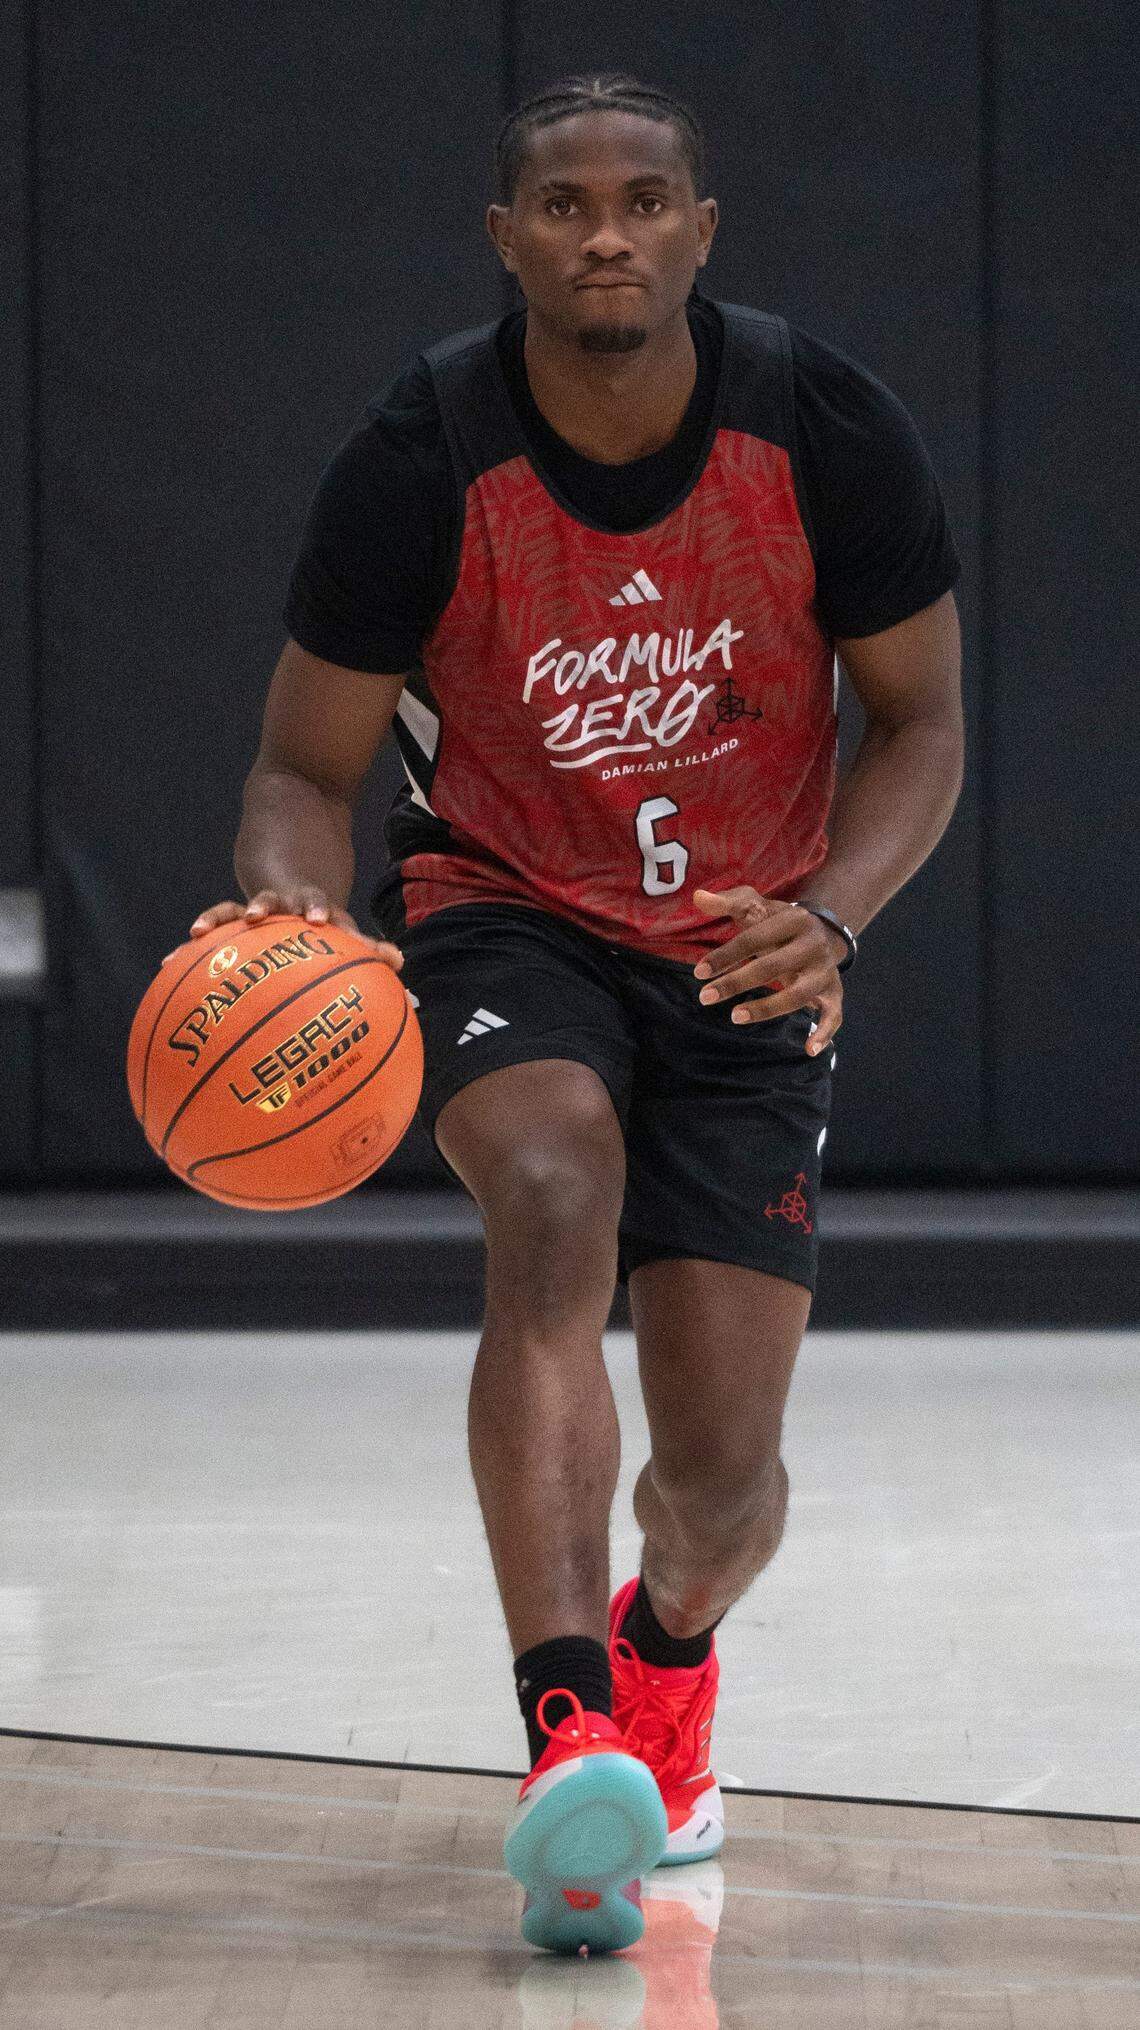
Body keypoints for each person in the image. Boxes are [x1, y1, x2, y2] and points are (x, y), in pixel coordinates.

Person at [182, 71, 964, 1954]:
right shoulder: (424, 450)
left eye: (642, 200)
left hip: (748, 944)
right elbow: (302, 767)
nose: (605, 233)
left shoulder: (821, 425)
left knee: (721, 1484)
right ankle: (565, 1731)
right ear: (505, 238)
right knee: (548, 1192)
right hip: (503, 908)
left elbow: (922, 721)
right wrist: (294, 904)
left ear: (702, 230)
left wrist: (833, 917)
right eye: (563, 204)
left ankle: (664, 1654)